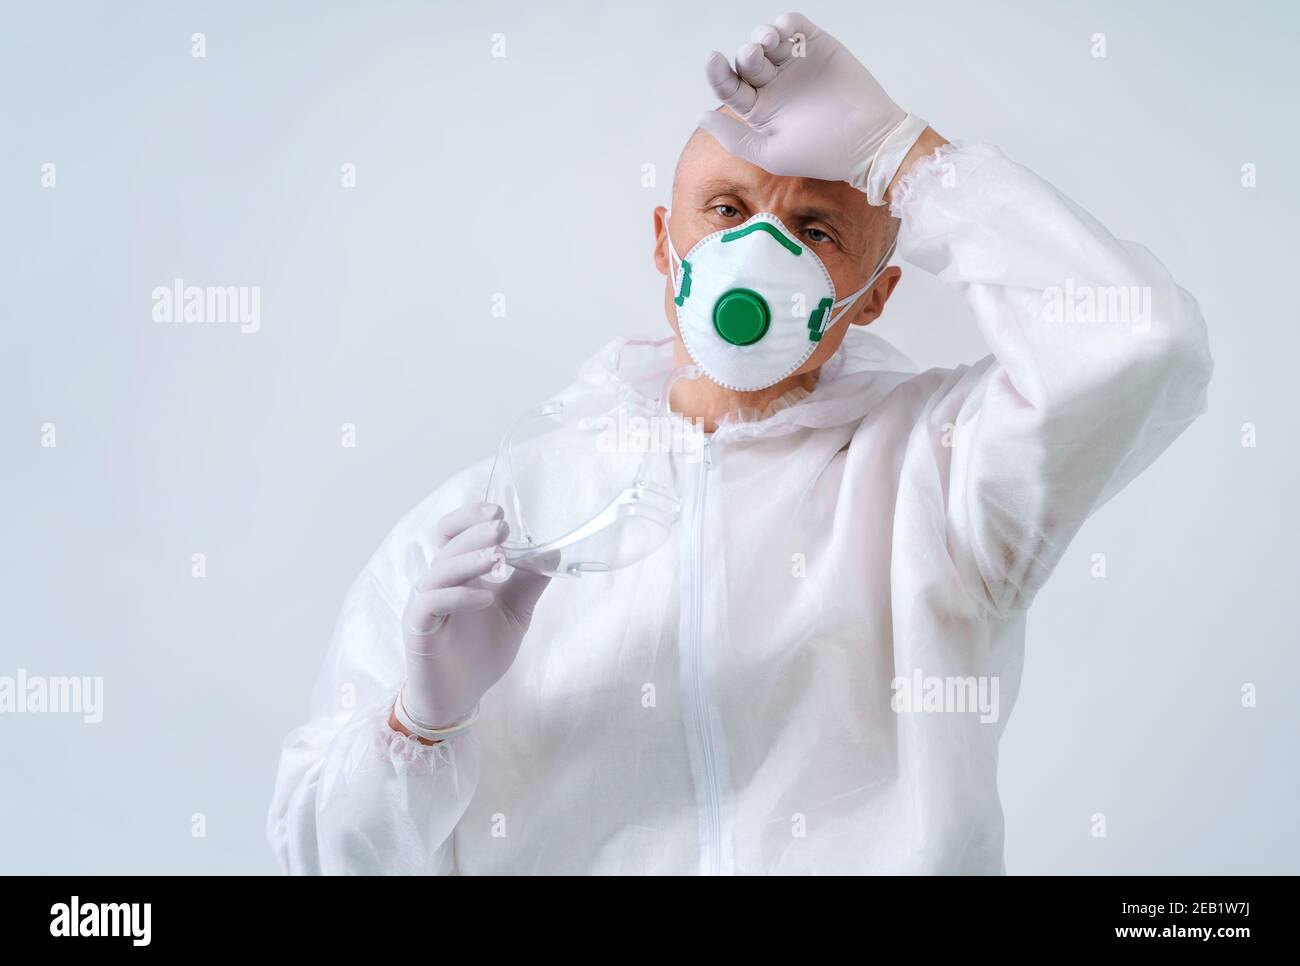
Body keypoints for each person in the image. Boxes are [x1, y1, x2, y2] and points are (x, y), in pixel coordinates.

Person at [268, 13, 1212, 874]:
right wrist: (421, 725)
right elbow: (317, 855)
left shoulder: (941, 472)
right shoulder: (495, 521)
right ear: (662, 242)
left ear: (875, 292)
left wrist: (906, 160)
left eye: (814, 227)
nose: (759, 255)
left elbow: (1143, 342)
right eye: (725, 211)